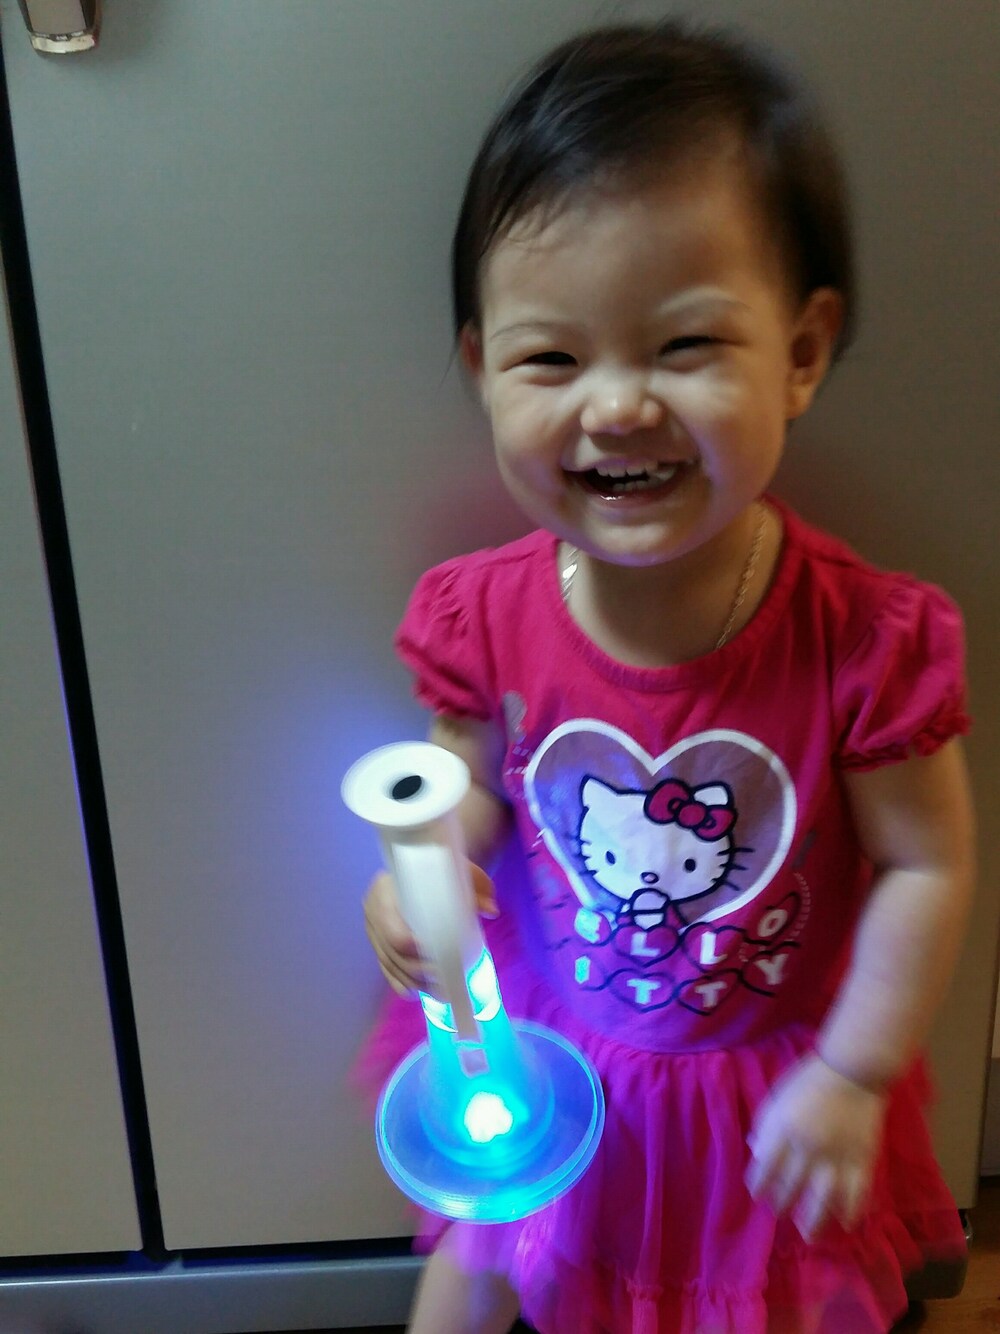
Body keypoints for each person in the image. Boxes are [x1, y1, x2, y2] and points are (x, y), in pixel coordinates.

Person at [358, 19, 975, 1334]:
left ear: (799, 353)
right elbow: (463, 793)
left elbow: (928, 863)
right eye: (551, 358)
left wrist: (859, 1072)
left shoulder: (863, 639)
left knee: (776, 1297)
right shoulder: (481, 615)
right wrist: (418, 882)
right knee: (484, 1249)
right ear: (482, 370)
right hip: (549, 1054)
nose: (618, 406)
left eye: (684, 346)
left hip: (771, 1089)